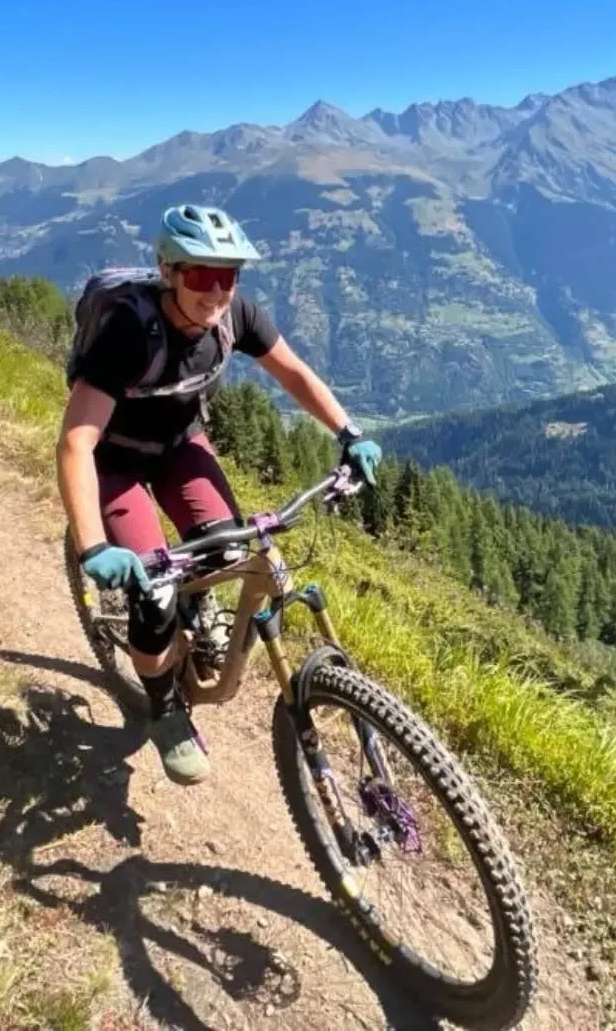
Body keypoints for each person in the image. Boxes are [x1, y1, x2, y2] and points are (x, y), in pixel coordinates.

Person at [56, 203, 382, 786]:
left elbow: (294, 373)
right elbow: (76, 443)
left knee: (229, 549)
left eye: (228, 276)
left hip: (180, 447)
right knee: (154, 594)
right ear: (168, 271)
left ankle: (194, 604)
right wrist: (92, 547)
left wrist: (348, 433)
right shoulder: (127, 333)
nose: (217, 292)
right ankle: (164, 706)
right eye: (202, 274)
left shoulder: (236, 318)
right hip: (114, 460)